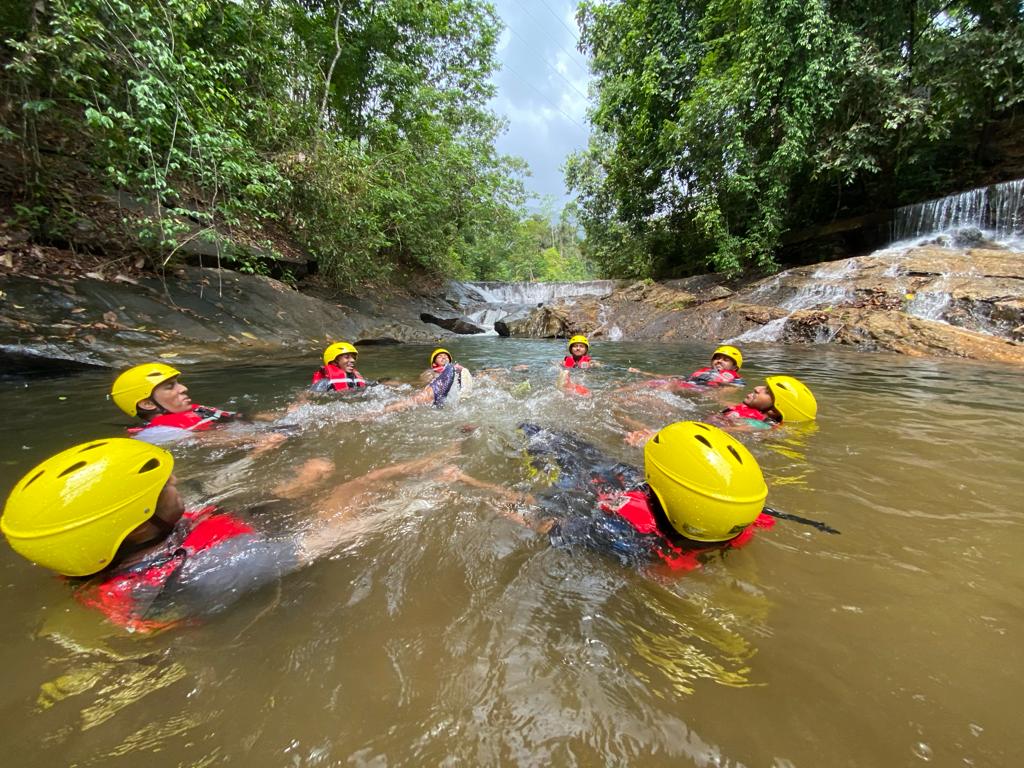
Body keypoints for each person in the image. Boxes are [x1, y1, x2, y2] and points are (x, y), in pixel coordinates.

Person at [0, 438, 451, 632]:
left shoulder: (100, 560)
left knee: (290, 492)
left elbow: (201, 516)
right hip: (239, 558)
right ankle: (444, 460)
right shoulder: (212, 571)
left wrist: (298, 483)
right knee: (363, 484)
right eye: (164, 486)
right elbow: (332, 537)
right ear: (138, 521)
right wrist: (423, 497)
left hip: (197, 547)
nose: (175, 481)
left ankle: (305, 484)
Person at [446, 421, 777, 573]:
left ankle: (488, 427)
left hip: (583, 483)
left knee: (532, 431)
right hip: (608, 477)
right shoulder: (729, 519)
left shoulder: (620, 533)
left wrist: (468, 482)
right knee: (549, 436)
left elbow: (539, 519)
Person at [110, 363, 283, 450]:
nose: (184, 388)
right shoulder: (157, 434)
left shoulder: (194, 409)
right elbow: (203, 440)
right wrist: (257, 440)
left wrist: (275, 416)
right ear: (147, 404)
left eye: (178, 384)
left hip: (258, 435)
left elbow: (233, 417)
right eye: (170, 387)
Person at [712, 375, 817, 430]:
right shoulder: (744, 408)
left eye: (767, 392)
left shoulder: (762, 425)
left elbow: (728, 431)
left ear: (774, 411)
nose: (757, 388)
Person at [627, 344, 745, 390]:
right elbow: (673, 376)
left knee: (670, 384)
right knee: (650, 382)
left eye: (725, 360)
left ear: (734, 367)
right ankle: (614, 395)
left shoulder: (735, 378)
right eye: (717, 358)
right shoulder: (704, 371)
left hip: (701, 389)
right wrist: (641, 372)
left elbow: (731, 389)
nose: (719, 361)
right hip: (687, 384)